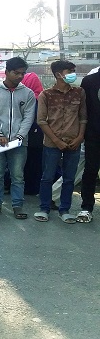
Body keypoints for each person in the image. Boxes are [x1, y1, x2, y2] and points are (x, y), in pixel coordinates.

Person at [0, 57, 35, 219]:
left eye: (22, 73)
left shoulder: (28, 93)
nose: (20, 76)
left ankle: (17, 206)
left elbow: (28, 117)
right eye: (16, 73)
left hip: (19, 142)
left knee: (18, 175)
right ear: (6, 72)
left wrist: (19, 136)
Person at [35, 60, 86, 223]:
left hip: (74, 142)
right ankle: (44, 208)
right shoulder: (46, 95)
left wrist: (80, 137)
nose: (73, 74)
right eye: (69, 71)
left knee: (69, 179)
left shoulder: (79, 92)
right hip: (52, 143)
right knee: (47, 177)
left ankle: (65, 209)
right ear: (58, 74)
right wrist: (56, 141)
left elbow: (83, 118)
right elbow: (41, 121)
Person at [78, 63, 100, 222]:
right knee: (91, 170)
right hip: (94, 135)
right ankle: (86, 207)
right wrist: (82, 133)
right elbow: (83, 110)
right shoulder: (89, 81)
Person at [21, 72, 44, 196]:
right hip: (38, 137)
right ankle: (34, 187)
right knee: (36, 163)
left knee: (26, 162)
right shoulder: (42, 97)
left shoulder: (26, 98)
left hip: (26, 136)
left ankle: (28, 187)